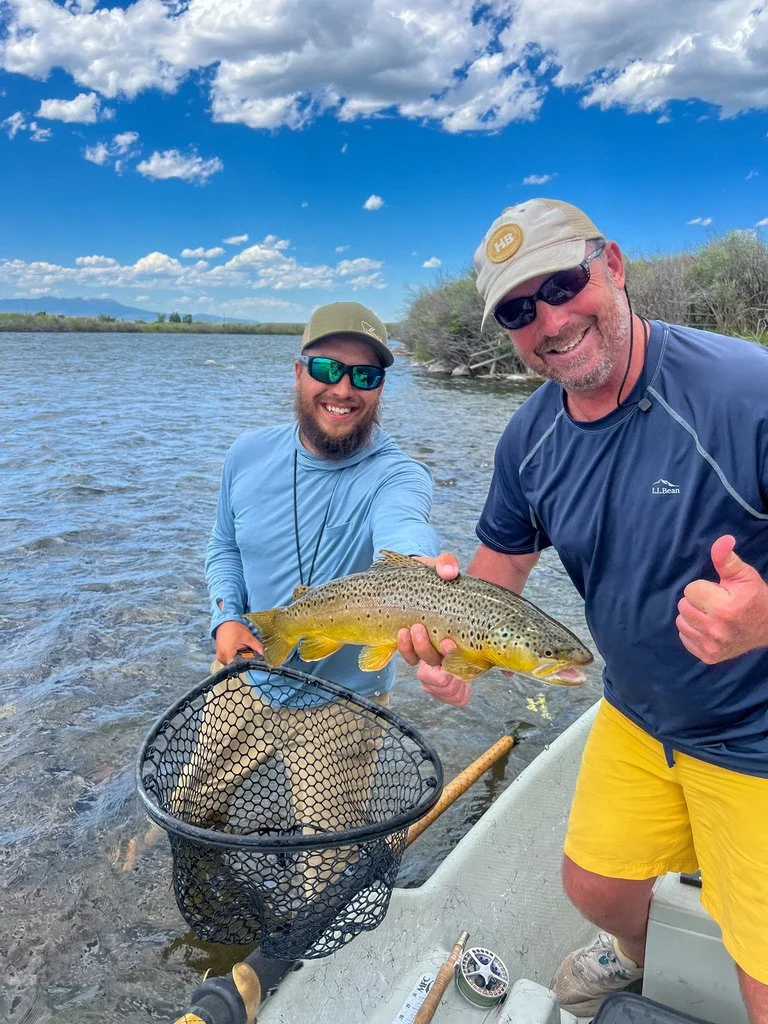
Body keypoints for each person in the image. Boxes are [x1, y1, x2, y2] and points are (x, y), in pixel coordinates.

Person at [397, 199, 768, 1022]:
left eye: (564, 283)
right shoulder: (527, 440)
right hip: (637, 714)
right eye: (520, 311)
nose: (552, 320)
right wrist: (441, 644)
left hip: (757, 735)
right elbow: (490, 593)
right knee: (592, 885)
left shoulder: (745, 392)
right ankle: (640, 958)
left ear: (615, 266)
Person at [171, 299, 442, 837]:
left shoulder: (399, 476)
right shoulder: (245, 455)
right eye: (326, 369)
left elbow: (406, 528)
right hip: (244, 675)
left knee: (326, 862)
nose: (343, 389)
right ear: (299, 373)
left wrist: (421, 572)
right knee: (190, 808)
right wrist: (225, 617)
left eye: (364, 375)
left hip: (343, 709)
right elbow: (223, 547)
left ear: (380, 388)